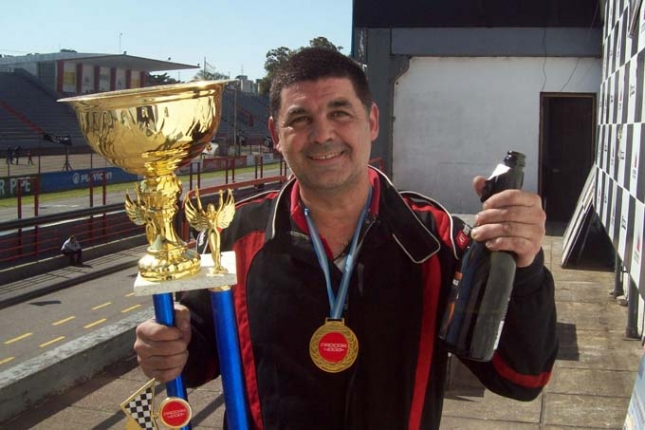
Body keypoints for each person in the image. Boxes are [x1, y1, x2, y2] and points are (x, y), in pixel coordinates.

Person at [134, 48, 558, 429]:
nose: (322, 135)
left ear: (371, 121)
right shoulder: (232, 233)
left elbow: (520, 378)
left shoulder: (436, 239)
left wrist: (524, 267)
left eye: (340, 113)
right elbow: (202, 352)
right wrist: (170, 344)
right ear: (275, 134)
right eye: (300, 119)